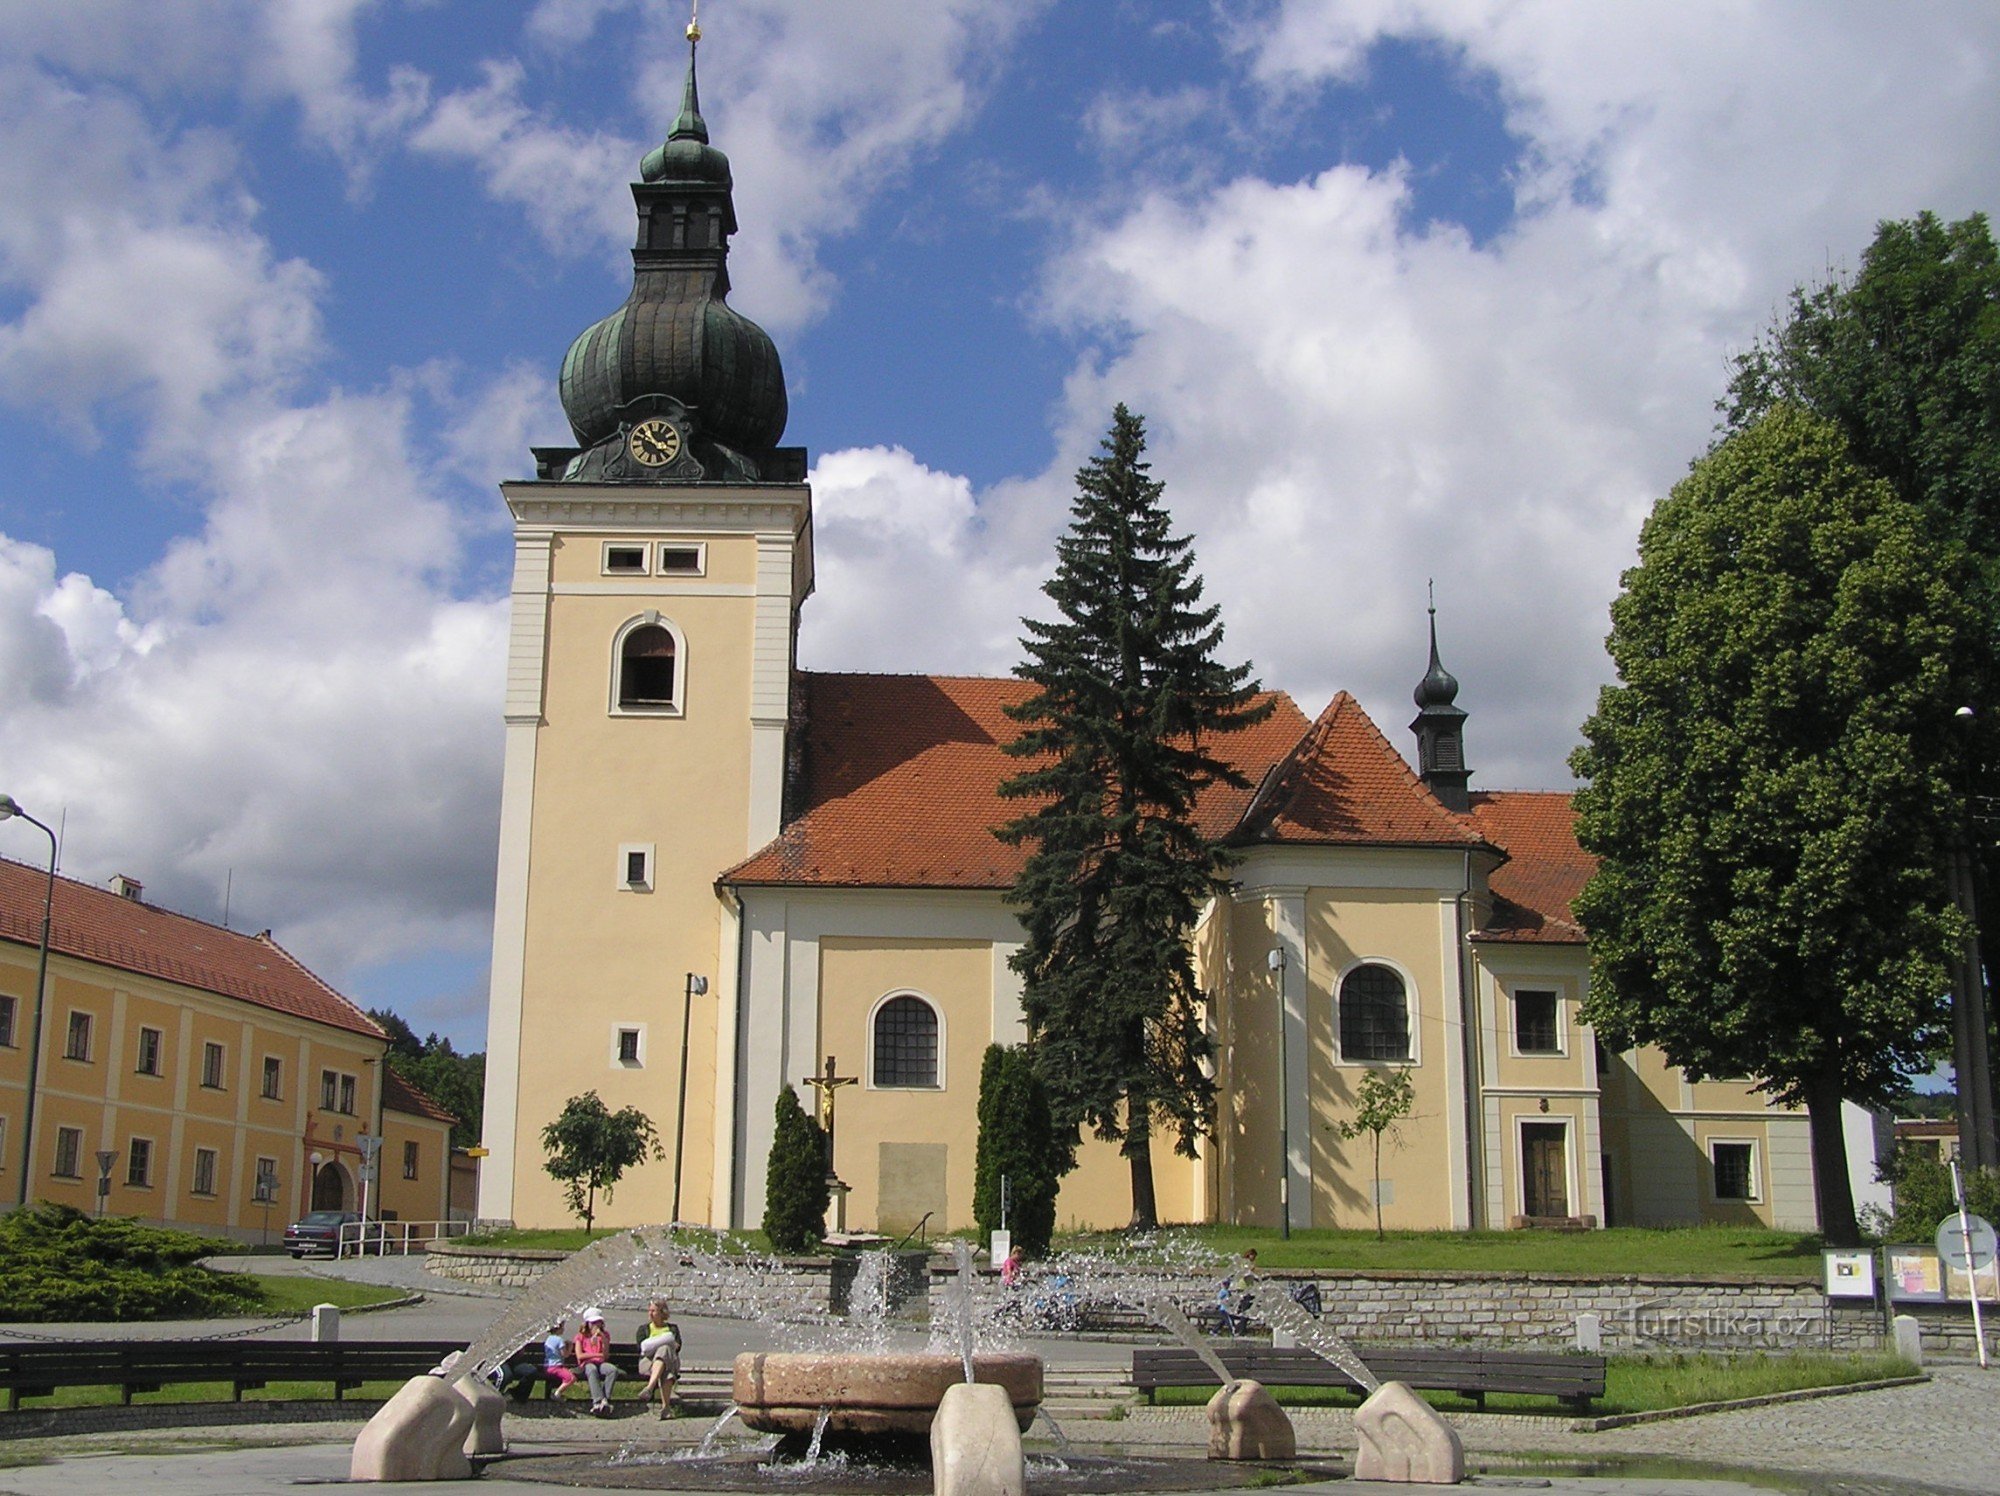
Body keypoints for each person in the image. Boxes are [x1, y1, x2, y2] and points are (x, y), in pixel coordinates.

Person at [636, 1296, 682, 1418]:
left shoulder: (672, 1329)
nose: (650, 1313)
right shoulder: (643, 1329)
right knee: (667, 1373)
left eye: (654, 1311)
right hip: (648, 1363)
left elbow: (677, 1347)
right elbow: (642, 1348)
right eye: (649, 1310)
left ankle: (649, 1388)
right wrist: (664, 1341)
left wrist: (658, 1344)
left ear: (662, 1313)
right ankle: (666, 1409)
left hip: (670, 1360)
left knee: (664, 1350)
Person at [573, 1307, 618, 1414]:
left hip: (600, 1363)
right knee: (591, 1369)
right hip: (587, 1364)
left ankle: (605, 1400)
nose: (596, 1325)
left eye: (598, 1322)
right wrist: (597, 1354)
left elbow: (605, 1355)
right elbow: (579, 1356)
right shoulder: (581, 1336)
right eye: (593, 1323)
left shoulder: (605, 1335)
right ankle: (597, 1401)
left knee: (612, 1370)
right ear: (588, 1323)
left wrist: (603, 1339)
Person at [540, 1318, 577, 1400]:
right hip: (556, 1367)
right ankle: (557, 1393)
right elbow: (565, 1355)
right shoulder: (559, 1340)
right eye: (562, 1327)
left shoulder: (548, 1339)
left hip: (547, 1367)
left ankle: (555, 1393)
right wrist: (570, 1347)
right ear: (558, 1328)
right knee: (571, 1378)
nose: (563, 1329)